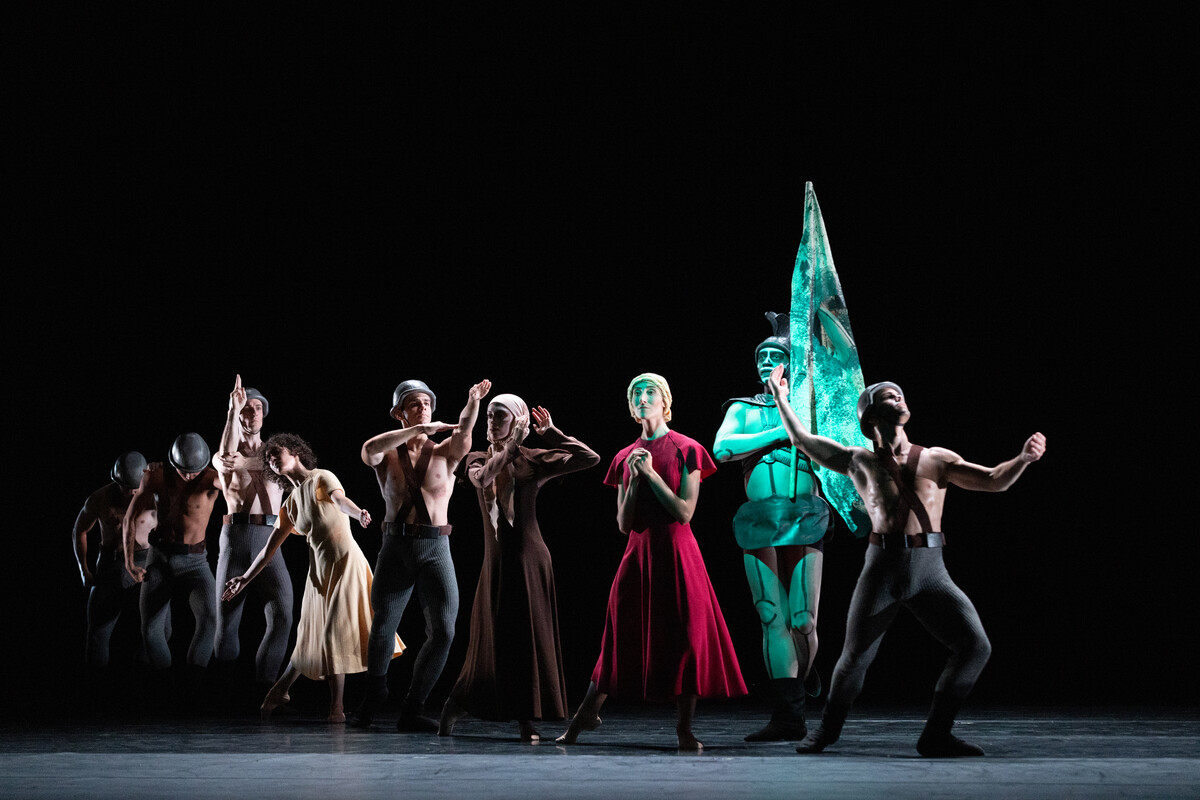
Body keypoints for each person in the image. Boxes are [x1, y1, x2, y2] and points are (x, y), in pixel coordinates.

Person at [764, 368, 1047, 757]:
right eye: (888, 395)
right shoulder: (858, 460)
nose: (898, 397)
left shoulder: (937, 459)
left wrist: (1024, 459)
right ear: (869, 416)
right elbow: (802, 439)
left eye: (900, 394)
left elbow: (995, 480)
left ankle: (936, 734)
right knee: (853, 660)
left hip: (931, 569)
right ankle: (827, 731)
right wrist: (780, 396)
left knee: (975, 646)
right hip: (882, 566)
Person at [558, 373, 746, 751]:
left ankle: (684, 729)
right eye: (636, 395)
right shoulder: (623, 457)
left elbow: (684, 512)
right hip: (638, 557)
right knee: (619, 638)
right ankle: (584, 717)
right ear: (631, 407)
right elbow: (624, 524)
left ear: (665, 402)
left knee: (687, 639)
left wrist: (650, 475)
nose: (643, 399)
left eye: (650, 393)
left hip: (678, 554)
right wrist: (630, 480)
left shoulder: (687, 448)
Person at [439, 395, 600, 741]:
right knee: (491, 638)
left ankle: (526, 717)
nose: (491, 421)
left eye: (500, 416)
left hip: (531, 559)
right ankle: (457, 702)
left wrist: (551, 432)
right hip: (497, 563)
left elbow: (590, 458)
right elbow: (483, 479)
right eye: (490, 415)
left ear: (518, 422)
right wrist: (509, 449)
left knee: (527, 637)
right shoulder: (478, 457)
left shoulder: (533, 459)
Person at [223, 434, 403, 722]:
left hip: (346, 564)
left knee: (332, 633)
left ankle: (336, 709)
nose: (271, 459)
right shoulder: (291, 503)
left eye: (276, 453)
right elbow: (269, 548)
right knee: (309, 637)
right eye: (268, 458)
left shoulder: (321, 477)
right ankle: (278, 692)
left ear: (295, 452)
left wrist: (359, 514)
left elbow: (340, 500)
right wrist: (244, 578)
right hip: (319, 573)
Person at [713, 312, 834, 741]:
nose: (766, 361)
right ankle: (788, 716)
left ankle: (806, 669)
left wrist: (794, 420)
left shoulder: (813, 409)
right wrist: (779, 433)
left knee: (802, 619)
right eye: (761, 356)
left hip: (803, 515)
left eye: (774, 355)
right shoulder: (744, 408)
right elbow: (723, 448)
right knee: (770, 614)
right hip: (759, 519)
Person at [353, 378, 491, 731]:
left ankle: (413, 707)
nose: (423, 408)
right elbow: (368, 449)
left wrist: (473, 400)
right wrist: (415, 429)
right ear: (398, 412)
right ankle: (375, 693)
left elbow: (465, 433)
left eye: (427, 403)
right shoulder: (386, 454)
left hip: (435, 548)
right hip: (396, 547)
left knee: (444, 631)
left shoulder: (444, 452)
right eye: (414, 404)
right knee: (383, 625)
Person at [124, 433, 223, 702]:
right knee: (150, 628)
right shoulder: (155, 476)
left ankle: (190, 689)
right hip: (160, 558)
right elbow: (129, 518)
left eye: (195, 471)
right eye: (184, 471)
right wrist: (130, 562)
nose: (190, 476)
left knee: (210, 620)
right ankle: (166, 688)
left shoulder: (212, 478)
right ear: (172, 462)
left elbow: (243, 486)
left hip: (195, 562)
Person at [212, 375, 293, 695]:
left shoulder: (277, 454)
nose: (253, 413)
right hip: (236, 537)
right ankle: (224, 690)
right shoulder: (223, 454)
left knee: (283, 613)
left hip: (270, 537)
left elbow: (282, 466)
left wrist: (247, 461)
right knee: (226, 617)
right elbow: (227, 459)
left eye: (258, 408)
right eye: (247, 409)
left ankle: (266, 686)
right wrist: (232, 410)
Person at [72, 452, 156, 675]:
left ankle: (145, 680)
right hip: (112, 563)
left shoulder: (154, 497)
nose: (129, 492)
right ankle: (97, 690)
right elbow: (79, 530)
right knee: (98, 629)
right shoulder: (100, 498)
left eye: (134, 487)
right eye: (124, 486)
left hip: (144, 563)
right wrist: (84, 569)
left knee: (157, 631)